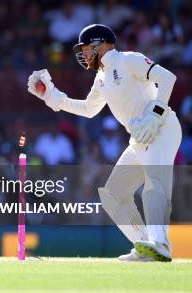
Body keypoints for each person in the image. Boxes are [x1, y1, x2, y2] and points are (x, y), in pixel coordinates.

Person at [28, 24, 180, 262]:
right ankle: (145, 246)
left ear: (102, 44)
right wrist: (54, 97)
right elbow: (89, 109)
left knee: (154, 181)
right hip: (139, 137)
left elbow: (168, 78)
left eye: (87, 48)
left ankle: (160, 243)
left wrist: (154, 114)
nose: (84, 54)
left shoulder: (129, 59)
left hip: (163, 127)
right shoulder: (101, 78)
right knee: (112, 194)